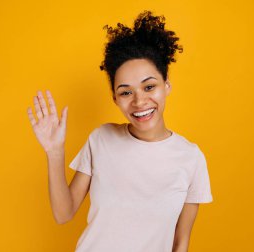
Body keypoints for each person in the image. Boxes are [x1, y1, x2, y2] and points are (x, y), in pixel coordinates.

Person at [27, 10, 213, 252]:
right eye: (126, 92)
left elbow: (180, 243)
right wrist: (54, 152)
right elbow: (64, 213)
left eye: (149, 87)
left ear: (166, 84)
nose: (139, 101)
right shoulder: (101, 139)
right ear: (115, 97)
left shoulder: (191, 158)